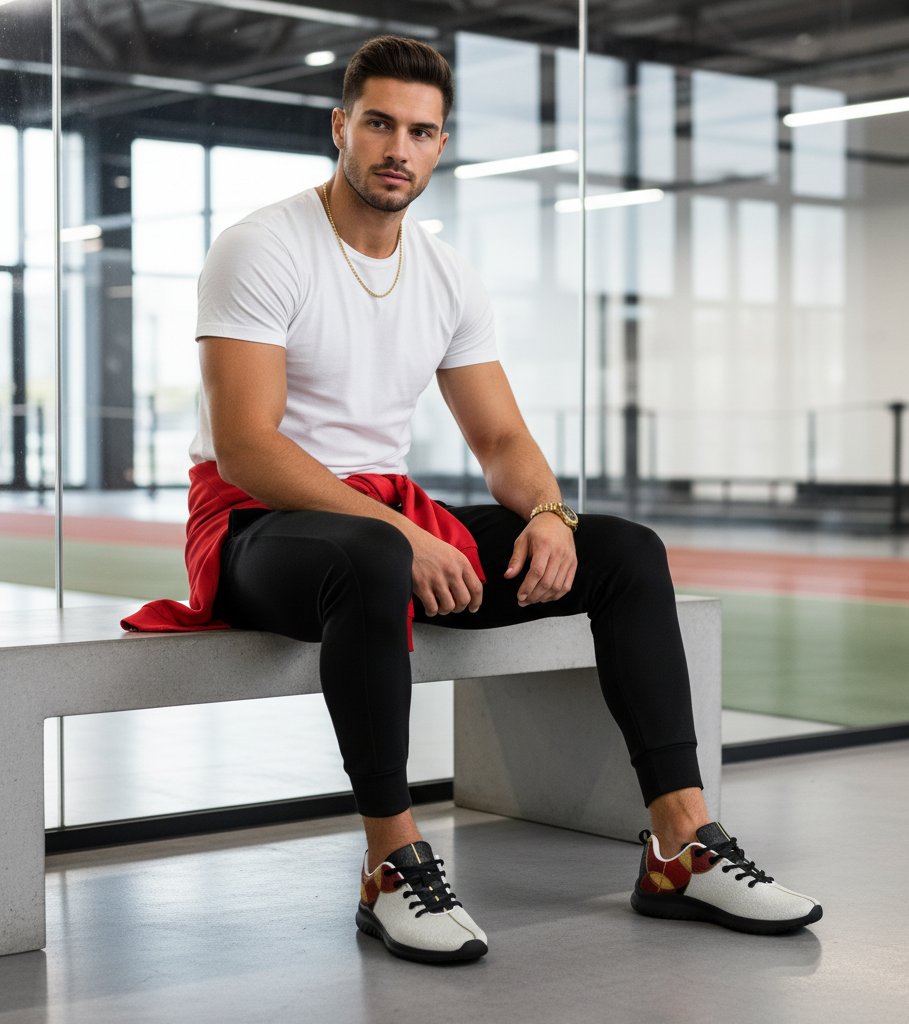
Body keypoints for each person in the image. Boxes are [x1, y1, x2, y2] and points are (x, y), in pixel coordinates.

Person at [132, 35, 822, 964]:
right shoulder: (261, 246)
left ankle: (678, 845)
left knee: (626, 552)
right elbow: (250, 446)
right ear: (341, 127)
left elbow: (499, 439)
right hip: (258, 528)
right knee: (375, 554)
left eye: (421, 132)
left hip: (384, 522)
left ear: (441, 145)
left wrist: (548, 513)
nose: (397, 149)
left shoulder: (448, 273)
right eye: (378, 123)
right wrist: (394, 531)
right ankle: (390, 863)